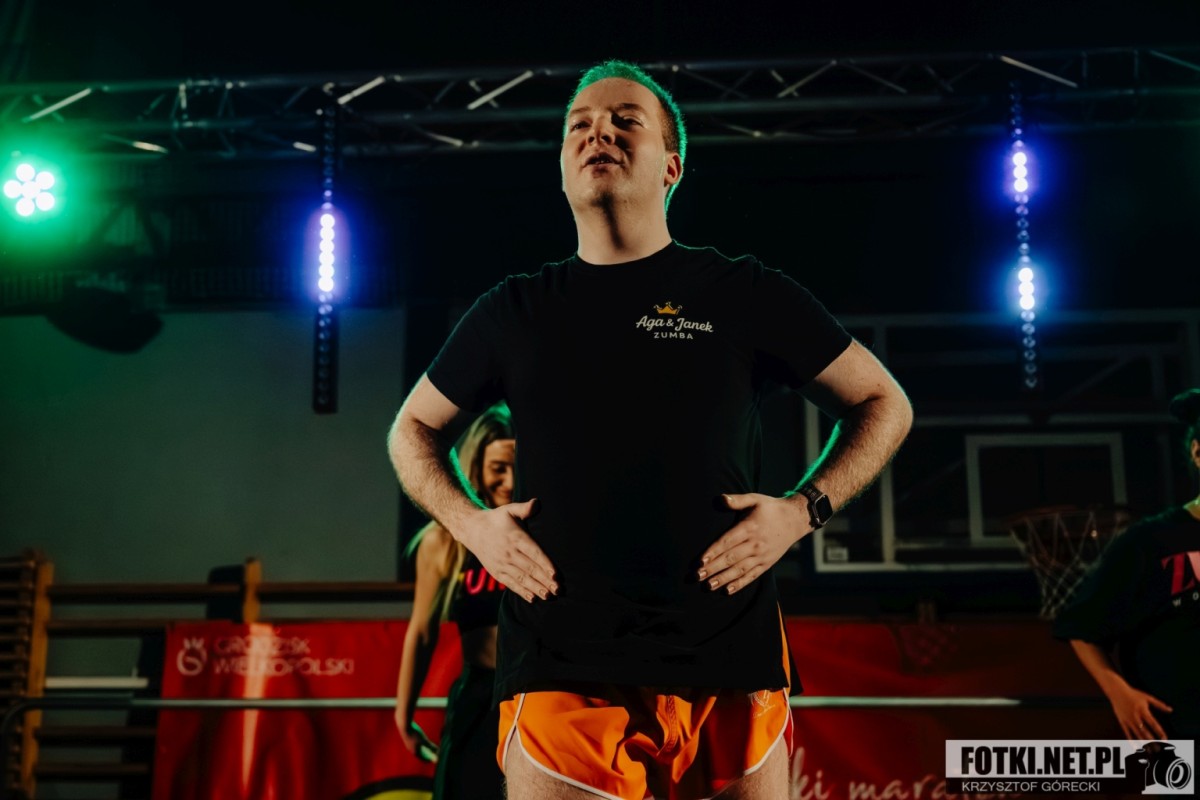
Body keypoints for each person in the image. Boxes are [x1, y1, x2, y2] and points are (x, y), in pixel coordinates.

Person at [386, 59, 913, 800]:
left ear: (672, 165)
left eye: (624, 120)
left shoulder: (742, 291)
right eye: (579, 125)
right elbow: (410, 429)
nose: (597, 132)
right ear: (562, 169)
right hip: (562, 666)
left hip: (731, 659)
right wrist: (470, 523)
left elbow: (885, 403)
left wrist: (803, 511)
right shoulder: (514, 309)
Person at [1053, 387, 1200, 741]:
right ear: (1198, 453)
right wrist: (1119, 693)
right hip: (1175, 735)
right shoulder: (1151, 540)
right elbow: (1080, 627)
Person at [394, 402, 514, 799]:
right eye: (498, 468)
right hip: (478, 693)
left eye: (518, 468)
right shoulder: (446, 541)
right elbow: (421, 631)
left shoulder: (541, 531)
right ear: (476, 465)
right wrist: (404, 714)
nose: (509, 481)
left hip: (533, 692)